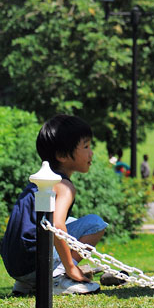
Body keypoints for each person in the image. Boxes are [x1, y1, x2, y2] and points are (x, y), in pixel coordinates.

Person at [1, 114, 107, 296]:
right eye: (86, 146)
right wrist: (71, 268)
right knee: (95, 224)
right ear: (62, 155)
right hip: (35, 261)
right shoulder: (64, 186)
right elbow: (57, 226)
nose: (91, 153)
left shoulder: (39, 181)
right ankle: (57, 277)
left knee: (70, 220)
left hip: (15, 265)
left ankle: (27, 284)